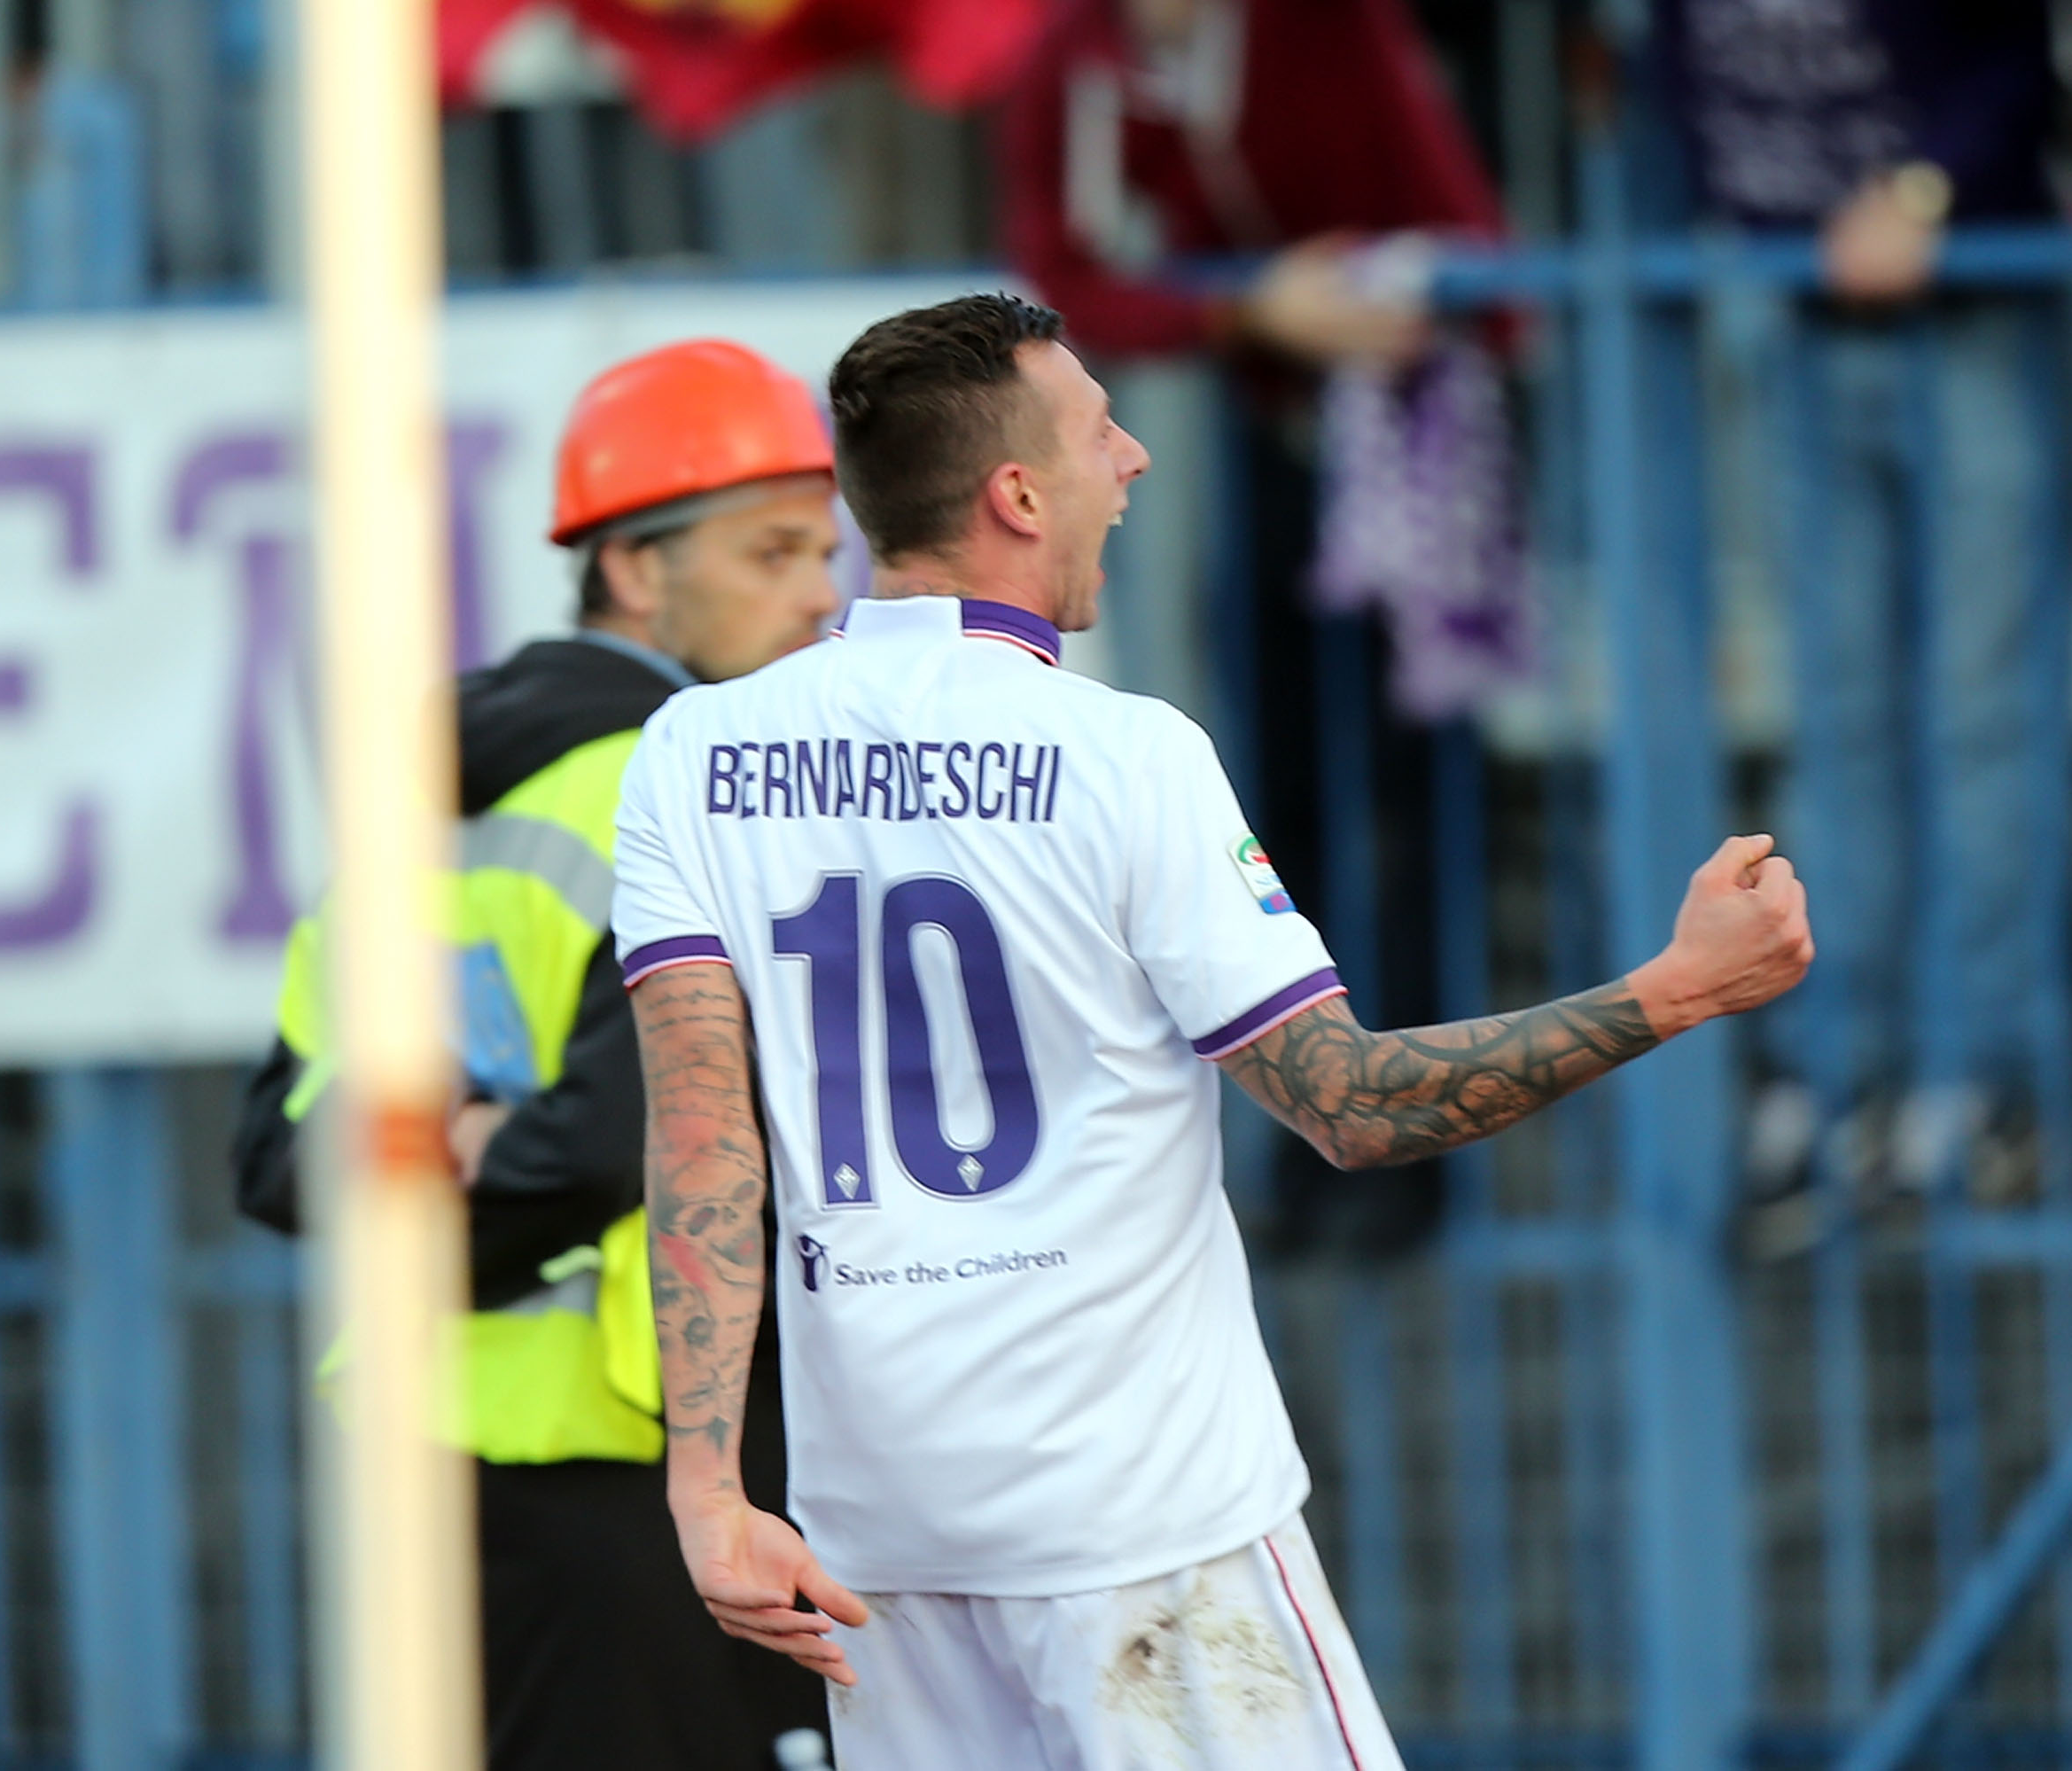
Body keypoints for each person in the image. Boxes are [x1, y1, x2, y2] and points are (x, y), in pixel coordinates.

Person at [607, 293, 1813, 1767]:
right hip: (1140, 1521)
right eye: (1100, 427)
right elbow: (1353, 1105)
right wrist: (1677, 988)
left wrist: (709, 1489)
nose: (1136, 456)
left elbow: (701, 1140)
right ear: (1017, 493)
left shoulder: (693, 752)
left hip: (884, 1538)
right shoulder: (1126, 754)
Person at [230, 339, 845, 1769]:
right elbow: (627, 1135)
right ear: (636, 569)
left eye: (824, 551)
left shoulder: (425, 803)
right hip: (643, 1454)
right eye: (773, 551)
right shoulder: (678, 785)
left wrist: (433, 1164)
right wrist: (521, 1153)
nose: (823, 594)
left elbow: (275, 1150)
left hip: (421, 1450)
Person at [1655, 0, 2072, 1204]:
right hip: (1799, 311)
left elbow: (2034, 67)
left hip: (1977, 305)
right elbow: (1676, 74)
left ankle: (1986, 1076)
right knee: (1837, 720)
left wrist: (1921, 195)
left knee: (1982, 713)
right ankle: (1836, 1067)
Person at [1000, 0, 1515, 1258]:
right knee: (1272, 804)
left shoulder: (1327, 29)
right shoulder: (1076, 58)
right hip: (1268, 439)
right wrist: (1249, 316)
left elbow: (1471, 242)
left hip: (1409, 433)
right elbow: (1065, 282)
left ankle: (1414, 1149)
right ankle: (1309, 1139)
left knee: (1409, 799)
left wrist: (1388, 301)